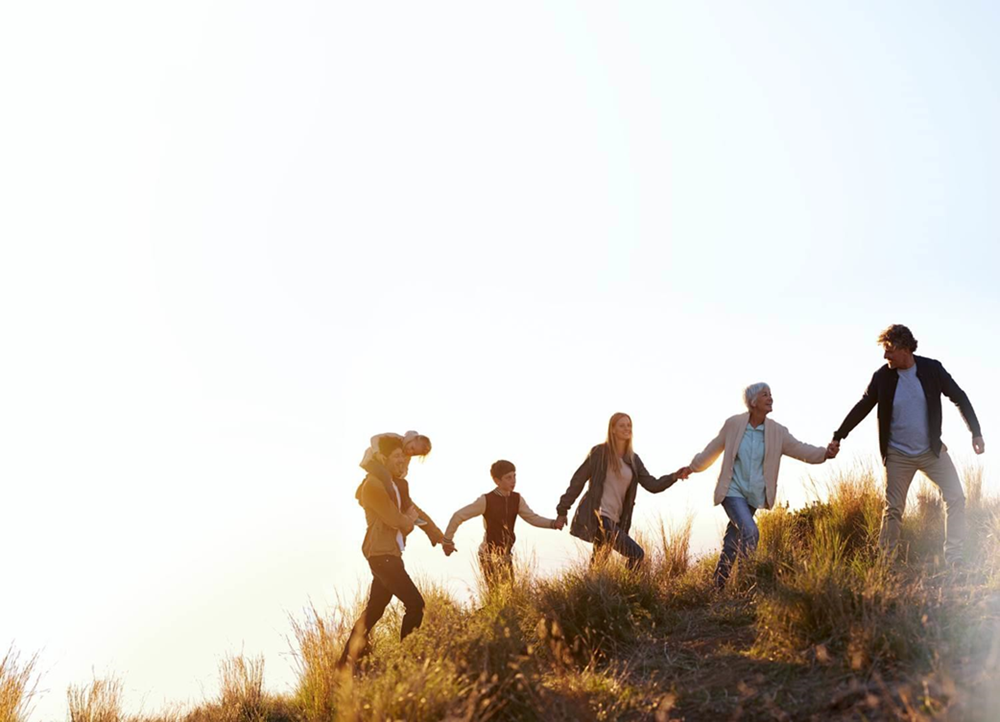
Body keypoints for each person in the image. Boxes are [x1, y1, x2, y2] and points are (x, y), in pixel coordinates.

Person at [830, 324, 984, 563]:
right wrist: (839, 435)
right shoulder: (882, 377)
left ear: (904, 348)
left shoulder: (932, 369)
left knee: (955, 497)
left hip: (931, 450)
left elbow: (959, 396)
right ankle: (886, 563)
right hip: (898, 454)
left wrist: (975, 431)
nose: (885, 356)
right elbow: (863, 406)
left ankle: (954, 558)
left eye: (889, 350)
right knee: (893, 509)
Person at [688, 383, 837, 586]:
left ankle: (718, 585)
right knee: (750, 531)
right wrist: (692, 467)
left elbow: (800, 449)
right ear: (753, 402)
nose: (770, 398)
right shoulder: (734, 424)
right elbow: (713, 448)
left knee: (733, 539)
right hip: (732, 491)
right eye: (765, 395)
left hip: (753, 495)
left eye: (771, 394)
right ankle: (744, 584)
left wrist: (824, 454)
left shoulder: (777, 432)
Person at [337, 436, 453, 670]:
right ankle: (407, 663)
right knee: (415, 604)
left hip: (389, 554)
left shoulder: (397, 485)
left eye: (404, 456)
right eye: (397, 456)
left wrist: (437, 534)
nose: (403, 461)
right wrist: (407, 521)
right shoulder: (373, 485)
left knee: (375, 609)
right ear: (382, 459)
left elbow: (412, 512)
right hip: (381, 555)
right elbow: (396, 519)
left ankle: (344, 664)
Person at [555, 413, 689, 570]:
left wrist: (674, 476)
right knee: (637, 554)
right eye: (622, 425)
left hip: (616, 520)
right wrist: (562, 510)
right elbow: (577, 481)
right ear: (612, 429)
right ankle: (628, 590)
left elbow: (652, 485)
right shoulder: (599, 453)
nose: (627, 428)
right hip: (600, 518)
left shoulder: (633, 460)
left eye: (629, 425)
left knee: (598, 568)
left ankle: (590, 592)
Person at [443, 460, 564, 590]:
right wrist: (447, 541)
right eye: (508, 478)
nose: (513, 481)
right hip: (488, 555)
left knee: (509, 595)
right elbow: (458, 516)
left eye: (514, 476)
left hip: (506, 555)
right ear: (497, 481)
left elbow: (532, 518)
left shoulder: (516, 499)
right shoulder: (486, 500)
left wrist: (553, 524)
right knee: (497, 595)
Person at [360, 430, 432, 480]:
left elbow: (405, 468)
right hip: (372, 459)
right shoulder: (396, 438)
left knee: (400, 483)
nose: (410, 452)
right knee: (385, 476)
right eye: (412, 448)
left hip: (385, 466)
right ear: (411, 439)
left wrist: (401, 473)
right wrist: (377, 452)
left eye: (414, 453)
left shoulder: (407, 457)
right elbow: (374, 438)